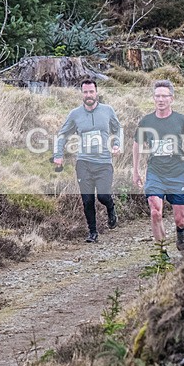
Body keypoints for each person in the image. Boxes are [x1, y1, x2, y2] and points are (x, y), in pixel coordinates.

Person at [132, 80, 184, 255]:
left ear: (172, 98)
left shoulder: (181, 120)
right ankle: (161, 254)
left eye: (164, 96)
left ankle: (180, 233)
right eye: (157, 96)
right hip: (155, 172)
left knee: (180, 219)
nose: (160, 99)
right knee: (155, 212)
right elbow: (136, 144)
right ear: (153, 98)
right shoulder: (146, 121)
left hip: (178, 173)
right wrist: (136, 171)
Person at [54, 79, 121, 243]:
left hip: (104, 161)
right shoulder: (75, 114)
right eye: (85, 92)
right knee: (87, 199)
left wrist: (117, 144)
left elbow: (117, 128)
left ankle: (111, 208)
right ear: (81, 93)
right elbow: (62, 134)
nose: (89, 95)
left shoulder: (107, 110)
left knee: (103, 196)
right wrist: (58, 154)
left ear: (96, 93)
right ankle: (92, 232)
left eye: (91, 92)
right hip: (84, 162)